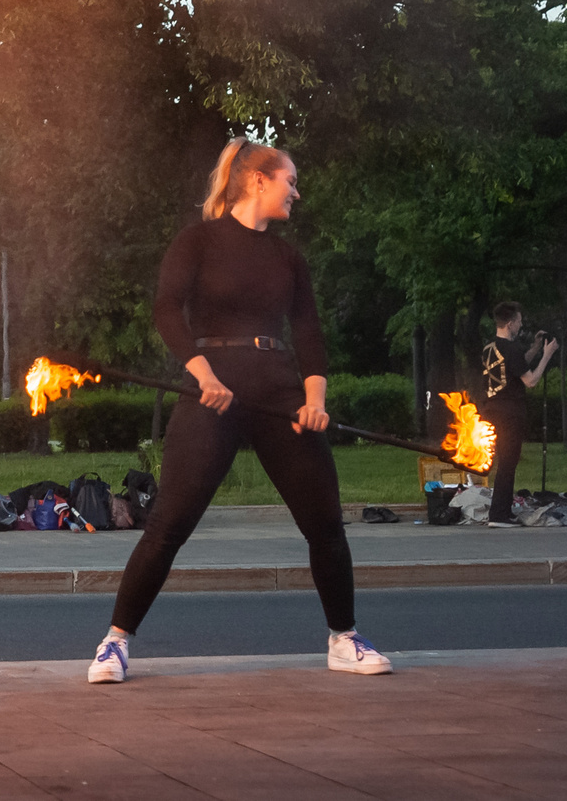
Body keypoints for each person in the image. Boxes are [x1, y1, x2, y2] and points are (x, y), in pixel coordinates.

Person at [90, 138, 390, 685]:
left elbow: (309, 333)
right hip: (213, 390)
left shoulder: (288, 257)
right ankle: (114, 644)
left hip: (278, 393)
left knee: (325, 522)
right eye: (289, 181)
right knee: (168, 525)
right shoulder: (197, 241)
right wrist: (204, 375)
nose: (296, 192)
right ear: (257, 180)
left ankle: (344, 639)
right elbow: (165, 309)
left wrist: (314, 402)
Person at [476, 302, 556, 526]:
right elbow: (530, 380)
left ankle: (502, 510)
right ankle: (499, 515)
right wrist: (547, 356)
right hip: (510, 413)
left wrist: (536, 347)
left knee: (505, 462)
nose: (521, 325)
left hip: (492, 410)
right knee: (508, 463)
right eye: (519, 322)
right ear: (510, 323)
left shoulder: (489, 348)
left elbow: (517, 366)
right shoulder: (511, 349)